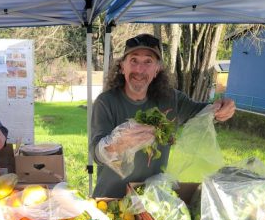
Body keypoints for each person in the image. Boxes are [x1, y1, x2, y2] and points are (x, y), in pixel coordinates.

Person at [91, 34, 235, 198]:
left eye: (148, 62)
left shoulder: (172, 100)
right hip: (111, 198)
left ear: (157, 69)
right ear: (122, 66)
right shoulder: (106, 102)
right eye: (133, 60)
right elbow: (96, 154)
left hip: (152, 197)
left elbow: (204, 113)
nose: (139, 69)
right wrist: (116, 144)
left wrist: (222, 108)